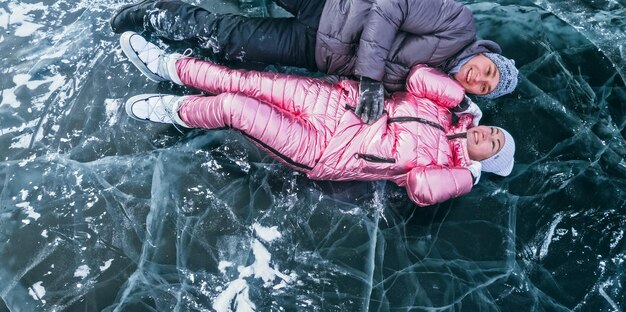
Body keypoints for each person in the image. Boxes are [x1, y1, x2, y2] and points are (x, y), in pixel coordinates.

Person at [119, 32, 516, 206]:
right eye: (495, 130)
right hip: (334, 102)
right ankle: (169, 67)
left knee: (234, 108)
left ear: (483, 162)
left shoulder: (446, 169)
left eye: (492, 144)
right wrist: (460, 99)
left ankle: (174, 111)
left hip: (323, 150)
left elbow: (420, 186)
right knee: (242, 80)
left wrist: (467, 176)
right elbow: (417, 77)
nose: (488, 134)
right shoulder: (449, 109)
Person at [110, 0, 519, 124]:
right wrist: (372, 81)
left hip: (318, 53)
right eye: (488, 70)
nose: (478, 77)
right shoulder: (457, 25)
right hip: (334, 5)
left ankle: (153, 15)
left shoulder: (434, 88)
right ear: (487, 55)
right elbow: (390, 7)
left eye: (483, 86)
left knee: (227, 39)